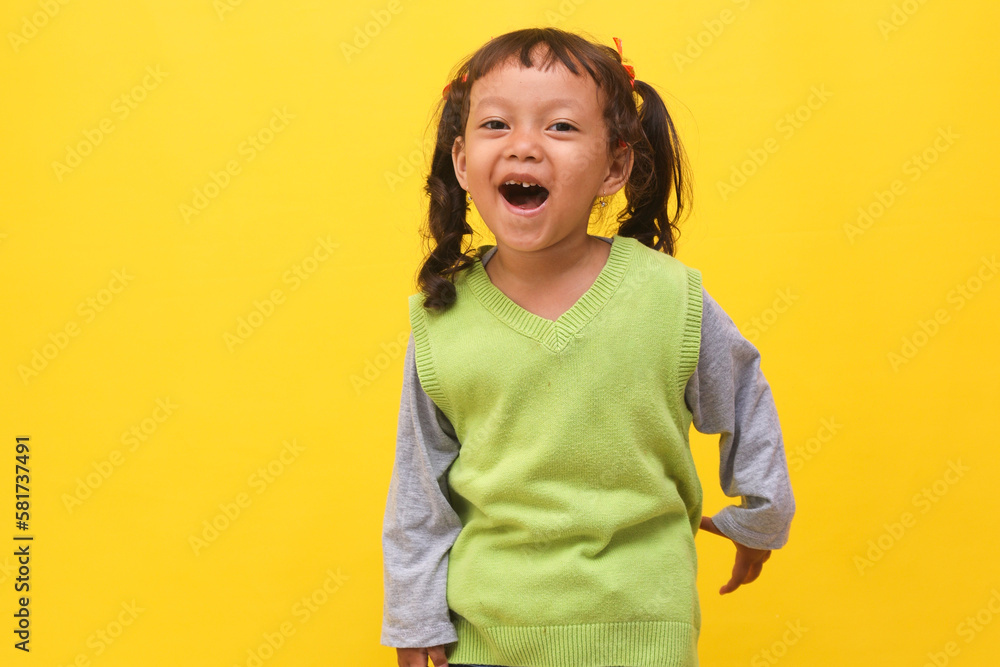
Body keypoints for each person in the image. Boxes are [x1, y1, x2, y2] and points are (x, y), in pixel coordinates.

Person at [381, 27, 795, 667]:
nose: (524, 147)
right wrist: (414, 621)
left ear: (615, 167)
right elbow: (419, 486)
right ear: (462, 162)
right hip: (487, 636)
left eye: (561, 128)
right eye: (497, 125)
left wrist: (762, 515)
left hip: (643, 630)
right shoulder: (442, 317)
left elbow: (743, 397)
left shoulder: (669, 298)